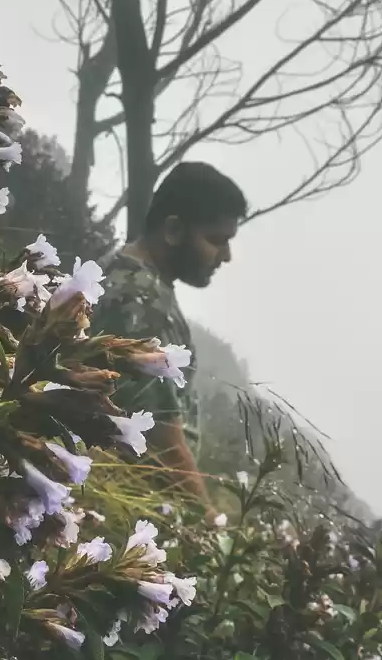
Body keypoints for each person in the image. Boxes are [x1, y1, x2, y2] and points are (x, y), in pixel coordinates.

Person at [91, 161, 246, 512]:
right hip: (133, 504)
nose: (225, 256)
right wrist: (207, 522)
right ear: (173, 230)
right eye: (216, 240)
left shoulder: (121, 270)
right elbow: (163, 442)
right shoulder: (144, 304)